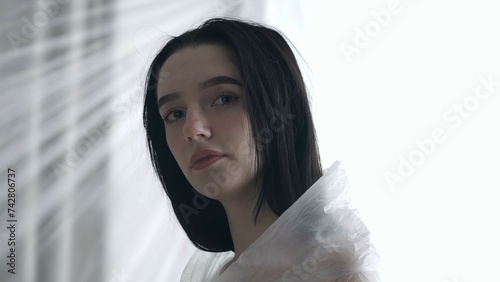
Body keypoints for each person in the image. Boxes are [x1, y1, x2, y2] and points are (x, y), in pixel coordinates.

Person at [143, 17, 381, 281]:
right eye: (175, 114)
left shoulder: (334, 272)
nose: (193, 129)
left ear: (278, 106)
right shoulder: (208, 275)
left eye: (224, 98)